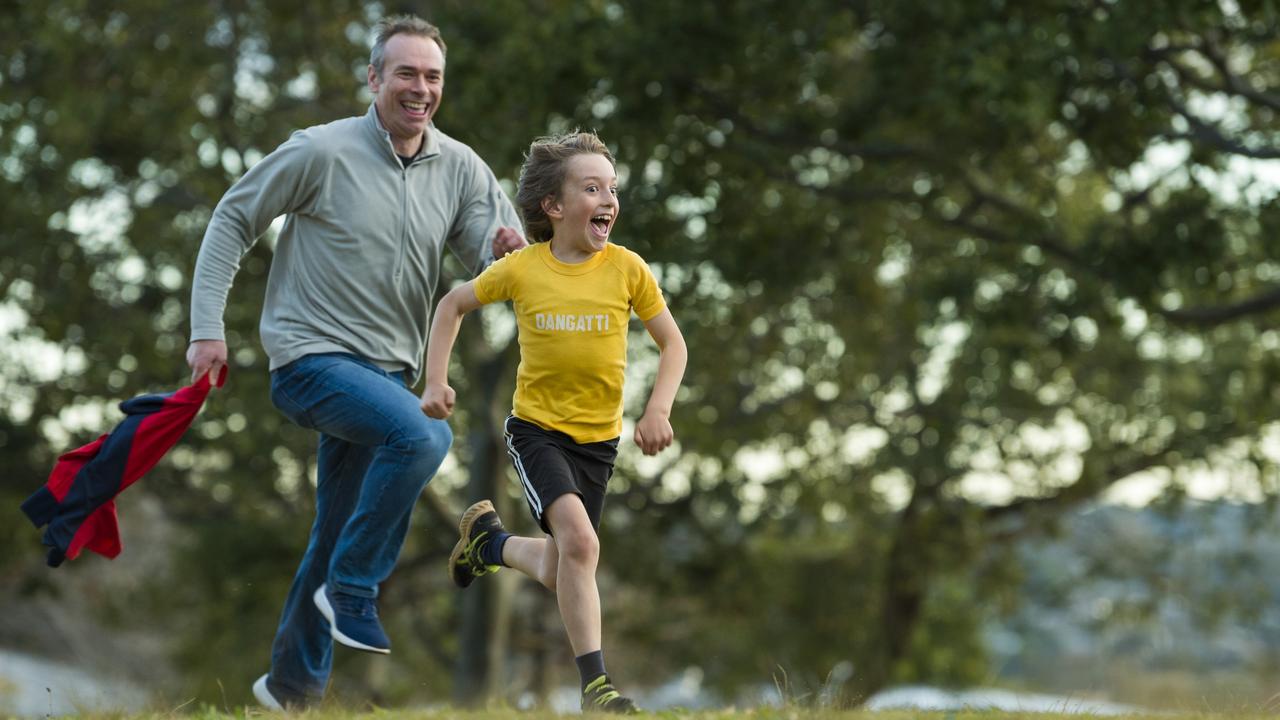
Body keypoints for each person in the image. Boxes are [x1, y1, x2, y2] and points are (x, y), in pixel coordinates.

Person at [185, 14, 526, 709]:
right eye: (405, 73)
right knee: (425, 434)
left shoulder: (459, 167)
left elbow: (484, 259)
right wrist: (205, 328)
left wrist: (505, 253)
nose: (420, 88)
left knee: (336, 528)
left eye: (432, 76)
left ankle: (292, 688)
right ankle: (354, 589)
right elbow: (233, 218)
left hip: (388, 376)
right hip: (310, 361)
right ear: (374, 79)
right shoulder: (320, 151)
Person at [421, 130, 688, 713]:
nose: (609, 200)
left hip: (599, 442)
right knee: (581, 543)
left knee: (566, 560)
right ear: (555, 206)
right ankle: (597, 688)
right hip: (538, 431)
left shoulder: (628, 269)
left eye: (612, 189)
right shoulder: (522, 269)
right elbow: (452, 306)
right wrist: (437, 380)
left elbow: (673, 345)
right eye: (592, 188)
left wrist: (658, 408)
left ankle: (489, 544)